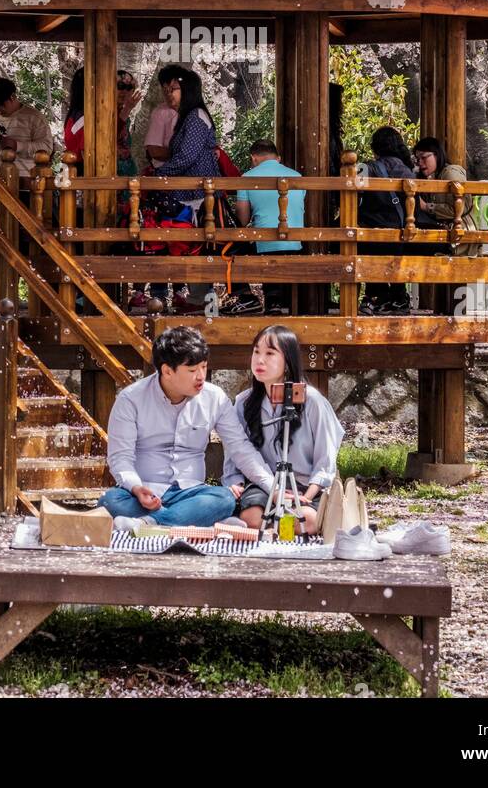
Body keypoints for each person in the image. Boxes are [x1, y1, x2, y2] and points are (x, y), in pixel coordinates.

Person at [100, 326, 275, 528]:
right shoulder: (131, 399)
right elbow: (120, 458)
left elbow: (240, 447)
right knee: (109, 501)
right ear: (167, 371)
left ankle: (151, 523)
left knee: (224, 498)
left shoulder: (215, 398)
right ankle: (198, 520)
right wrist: (136, 488)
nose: (201, 376)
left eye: (204, 367)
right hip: (143, 492)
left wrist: (273, 487)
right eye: (192, 370)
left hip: (191, 493)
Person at [222, 325, 344, 535]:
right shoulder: (244, 402)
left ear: (288, 361)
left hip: (304, 485)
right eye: (256, 352)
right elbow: (235, 452)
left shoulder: (312, 400)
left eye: (270, 353)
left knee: (308, 521)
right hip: (263, 482)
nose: (260, 360)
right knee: (251, 518)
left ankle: (269, 529)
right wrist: (235, 482)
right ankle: (266, 528)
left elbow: (326, 456)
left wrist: (307, 495)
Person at [152, 68, 220, 312]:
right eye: (166, 89)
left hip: (199, 196)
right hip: (190, 194)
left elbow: (187, 156)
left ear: (188, 90)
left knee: (198, 246)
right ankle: (197, 299)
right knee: (193, 246)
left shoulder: (196, 116)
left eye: (174, 89)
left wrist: (160, 173)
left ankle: (201, 300)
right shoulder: (187, 117)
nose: (169, 94)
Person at [358, 125, 432, 315]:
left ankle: (378, 297)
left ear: (375, 148)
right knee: (391, 254)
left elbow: (353, 195)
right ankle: (398, 299)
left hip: (371, 233)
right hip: (402, 232)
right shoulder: (408, 171)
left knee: (365, 247)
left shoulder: (368, 168)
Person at [233, 139, 305, 314]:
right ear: (278, 158)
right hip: (296, 245)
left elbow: (242, 220)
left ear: (254, 158)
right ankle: (278, 302)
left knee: (231, 248)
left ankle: (247, 298)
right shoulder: (298, 176)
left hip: (265, 245)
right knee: (275, 242)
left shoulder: (247, 178)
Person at [0, 77, 56, 180]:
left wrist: (17, 146)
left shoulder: (34, 117)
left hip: (25, 182)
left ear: (12, 96)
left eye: (1, 105)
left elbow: (47, 148)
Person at [413, 136, 479, 256]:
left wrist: (426, 206)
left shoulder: (451, 172)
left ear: (437, 155)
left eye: (423, 157)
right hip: (447, 232)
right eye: (417, 159)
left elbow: (460, 208)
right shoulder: (434, 176)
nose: (420, 163)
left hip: (461, 235)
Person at [144, 69, 180, 168]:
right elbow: (154, 151)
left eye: (172, 89)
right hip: (168, 170)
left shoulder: (194, 111)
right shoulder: (161, 113)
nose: (169, 94)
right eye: (165, 90)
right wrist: (183, 154)